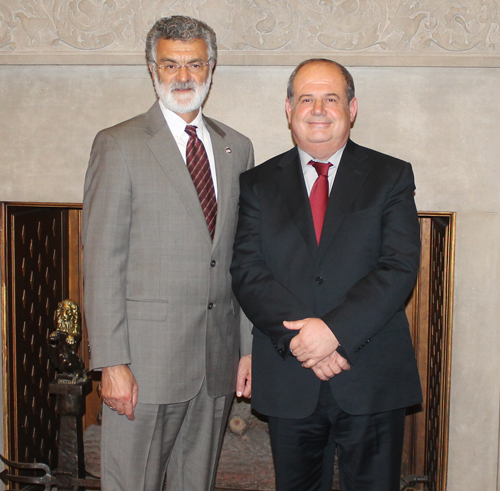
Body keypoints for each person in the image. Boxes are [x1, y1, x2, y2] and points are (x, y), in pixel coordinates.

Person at [230, 58, 422, 491]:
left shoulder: (390, 175)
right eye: (306, 99)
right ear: (288, 109)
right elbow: (247, 270)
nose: (318, 109)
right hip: (290, 376)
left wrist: (333, 332)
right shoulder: (257, 184)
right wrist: (306, 341)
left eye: (331, 98)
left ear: (351, 108)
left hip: (370, 377)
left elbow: (398, 266)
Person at [82, 15, 253, 491]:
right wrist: (111, 362)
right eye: (171, 64)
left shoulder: (236, 148)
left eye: (194, 64)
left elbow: (241, 259)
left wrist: (247, 348)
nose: (183, 76)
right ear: (152, 69)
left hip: (216, 362)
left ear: (211, 69)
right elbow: (100, 262)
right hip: (144, 366)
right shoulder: (118, 145)